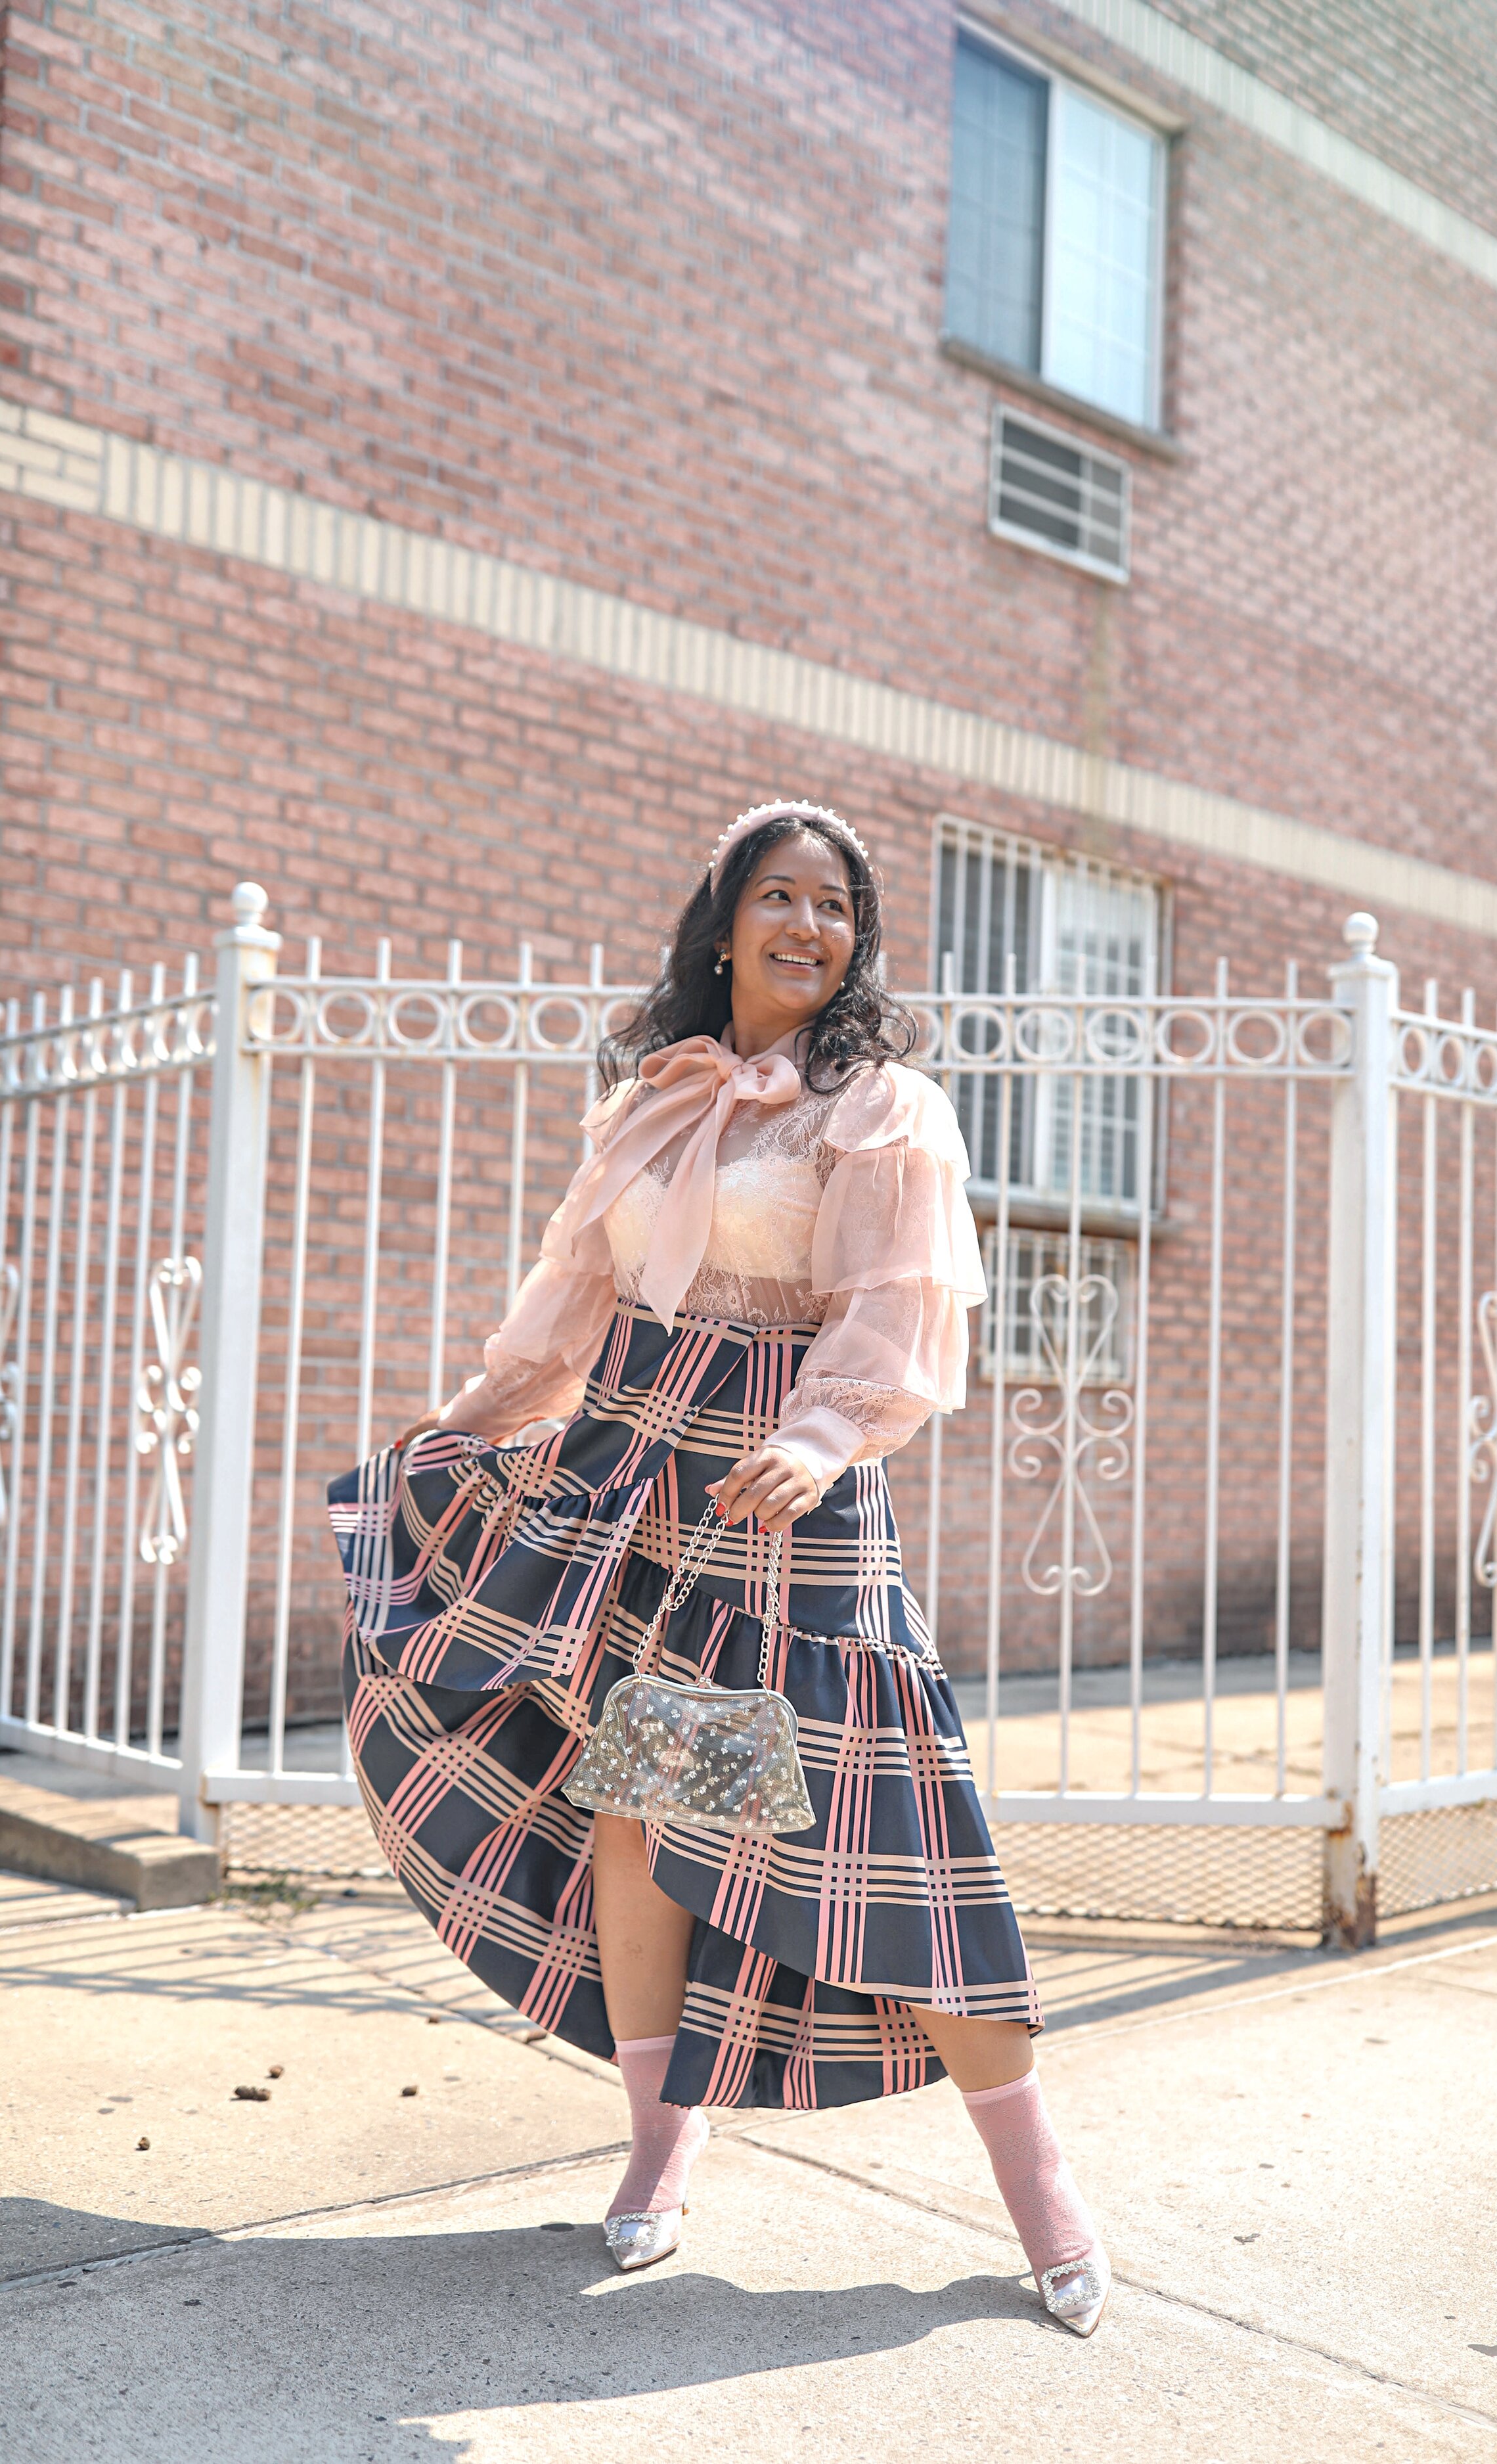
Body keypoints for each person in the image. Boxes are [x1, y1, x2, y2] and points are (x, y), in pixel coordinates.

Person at [327, 800, 1109, 2334]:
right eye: (777, 897)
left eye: (833, 905)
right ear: (721, 920)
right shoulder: (657, 1097)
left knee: (895, 1839)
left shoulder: (878, 1104)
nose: (805, 927)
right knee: (642, 1817)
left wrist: (826, 1438)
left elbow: (893, 1303)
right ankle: (656, 2160)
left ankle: (1041, 2199)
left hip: (789, 1496)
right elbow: (576, 1297)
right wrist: (474, 1421)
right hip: (637, 1481)